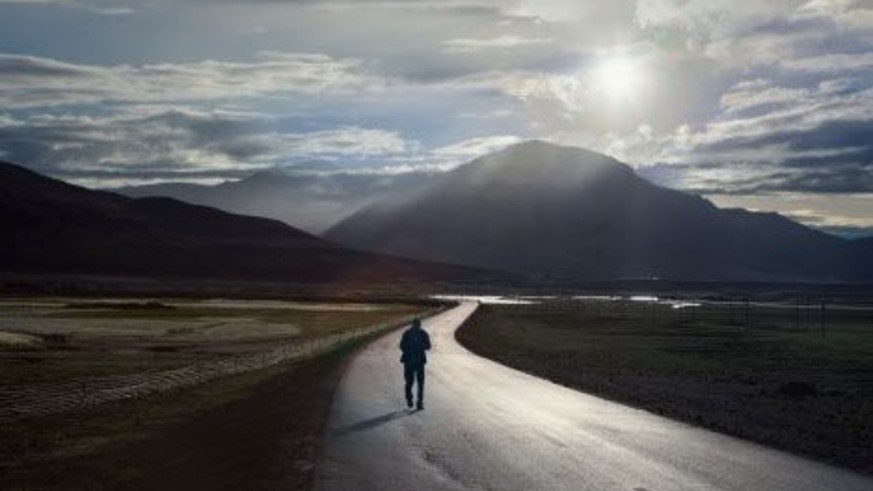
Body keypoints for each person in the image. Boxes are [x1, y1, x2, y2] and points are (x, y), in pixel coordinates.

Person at [399, 318, 431, 410]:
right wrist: (419, 348)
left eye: (417, 325)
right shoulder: (422, 333)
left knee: (411, 382)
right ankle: (417, 402)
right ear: (417, 325)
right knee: (418, 383)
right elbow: (428, 346)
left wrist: (410, 350)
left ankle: (413, 399)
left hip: (411, 360)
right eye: (417, 325)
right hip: (417, 360)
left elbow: (401, 346)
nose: (416, 327)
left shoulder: (408, 333)